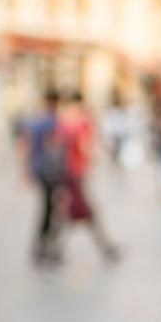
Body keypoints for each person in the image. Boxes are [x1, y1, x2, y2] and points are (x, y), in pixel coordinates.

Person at [57, 92, 120, 262]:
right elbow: (85, 145)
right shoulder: (83, 121)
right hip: (77, 171)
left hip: (68, 171)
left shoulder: (64, 121)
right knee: (82, 210)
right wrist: (96, 155)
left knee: (72, 211)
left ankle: (55, 248)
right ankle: (106, 247)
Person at [25, 91, 65, 263]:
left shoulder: (38, 122)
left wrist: (28, 170)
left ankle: (43, 244)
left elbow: (30, 147)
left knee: (48, 208)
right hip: (53, 172)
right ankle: (47, 245)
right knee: (53, 209)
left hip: (42, 170)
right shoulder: (55, 122)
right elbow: (58, 147)